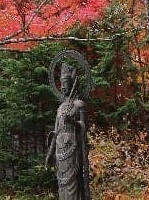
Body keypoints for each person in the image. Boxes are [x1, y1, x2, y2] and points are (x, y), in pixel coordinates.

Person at [46, 61, 91, 200]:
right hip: (60, 148)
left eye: (65, 84)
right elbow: (55, 133)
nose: (62, 87)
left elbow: (83, 126)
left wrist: (71, 121)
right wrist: (49, 154)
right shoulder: (60, 108)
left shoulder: (79, 104)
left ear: (72, 83)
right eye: (61, 84)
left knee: (73, 183)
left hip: (73, 147)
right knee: (62, 183)